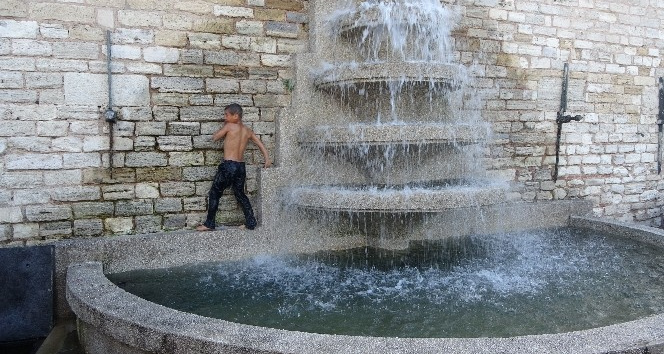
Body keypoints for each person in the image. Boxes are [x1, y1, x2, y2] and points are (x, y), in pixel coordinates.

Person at [196, 103, 272, 231]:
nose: (225, 117)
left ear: (236, 116)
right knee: (240, 194)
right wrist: (267, 159)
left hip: (229, 165)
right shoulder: (247, 130)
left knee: (215, 193)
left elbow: (215, 137)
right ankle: (250, 222)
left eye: (226, 115)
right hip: (240, 167)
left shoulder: (230, 126)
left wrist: (222, 128)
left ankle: (209, 223)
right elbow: (260, 144)